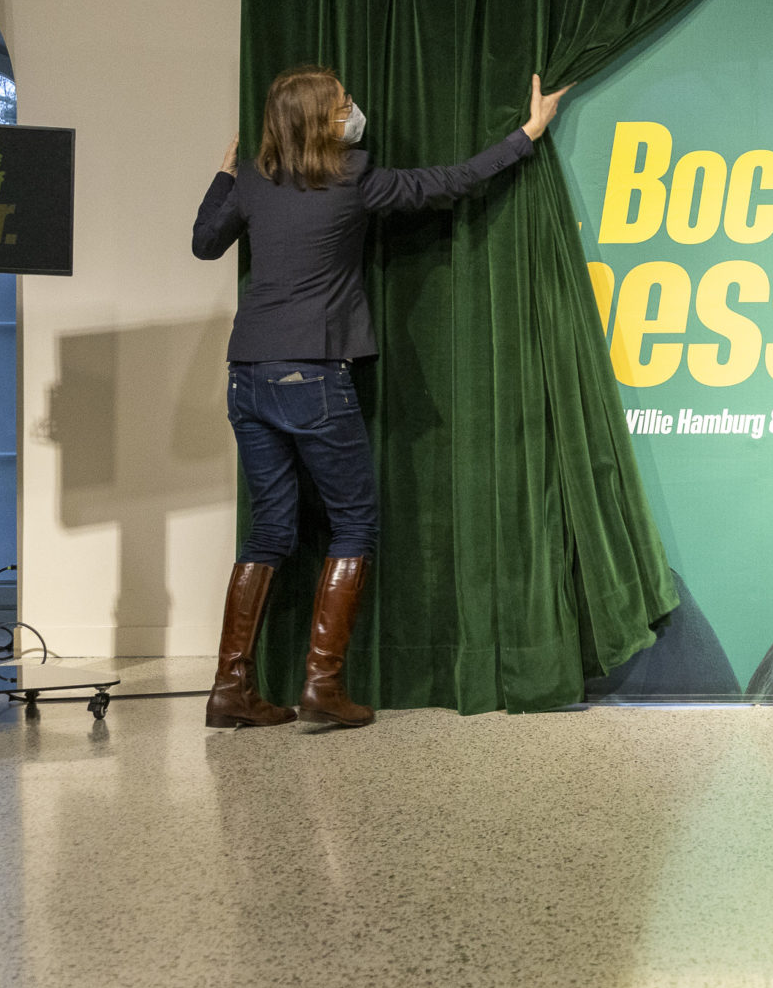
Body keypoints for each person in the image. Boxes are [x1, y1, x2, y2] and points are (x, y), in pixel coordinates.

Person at [193, 68, 566, 730]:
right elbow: (449, 182)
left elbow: (204, 243)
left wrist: (225, 175)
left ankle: (230, 688)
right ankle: (322, 686)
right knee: (354, 522)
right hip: (314, 373)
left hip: (247, 373)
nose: (352, 110)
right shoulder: (352, 176)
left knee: (270, 528)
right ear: (321, 119)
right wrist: (528, 134)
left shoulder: (254, 180)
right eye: (342, 104)